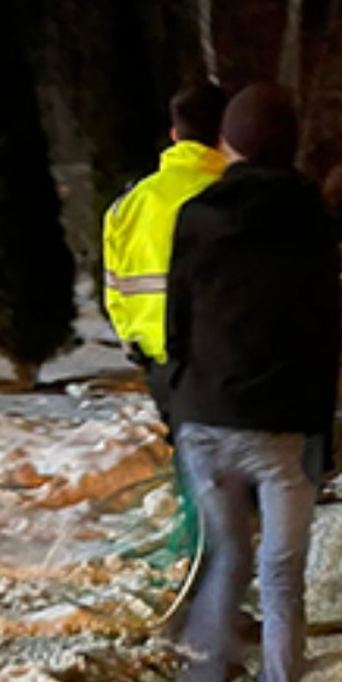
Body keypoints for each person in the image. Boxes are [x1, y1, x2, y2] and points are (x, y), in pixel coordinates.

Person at [153, 83, 342, 682]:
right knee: (282, 576)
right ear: (291, 144)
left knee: (228, 559)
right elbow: (327, 329)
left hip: (204, 416)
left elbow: (178, 318)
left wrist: (180, 397)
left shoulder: (198, 213)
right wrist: (324, 428)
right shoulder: (313, 219)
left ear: (228, 143)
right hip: (279, 429)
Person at [103, 82, 228, 428]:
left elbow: (115, 290)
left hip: (159, 363)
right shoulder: (234, 197)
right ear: (225, 135)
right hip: (225, 364)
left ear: (175, 134)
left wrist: (135, 343)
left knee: (190, 460)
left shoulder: (128, 205)